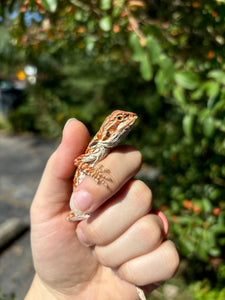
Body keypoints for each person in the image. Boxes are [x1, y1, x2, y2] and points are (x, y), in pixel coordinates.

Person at [25, 118, 179, 300]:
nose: (127, 121)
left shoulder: (106, 151)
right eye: (120, 120)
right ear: (109, 130)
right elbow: (80, 162)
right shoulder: (97, 147)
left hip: (89, 220)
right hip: (79, 213)